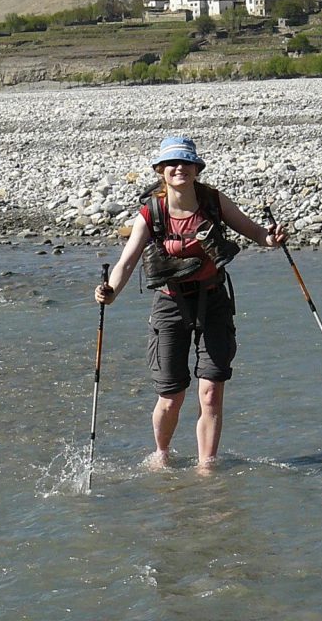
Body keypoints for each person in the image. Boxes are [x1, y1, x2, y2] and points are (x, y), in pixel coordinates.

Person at [94, 136, 287, 470]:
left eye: (185, 163)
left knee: (211, 392)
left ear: (197, 169)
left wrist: (272, 239)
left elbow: (256, 233)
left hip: (213, 301)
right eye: (171, 164)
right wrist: (109, 293)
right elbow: (125, 264)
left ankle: (206, 469)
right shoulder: (151, 212)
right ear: (161, 171)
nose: (179, 168)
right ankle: (162, 455)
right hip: (170, 305)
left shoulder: (213, 201)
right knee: (171, 397)